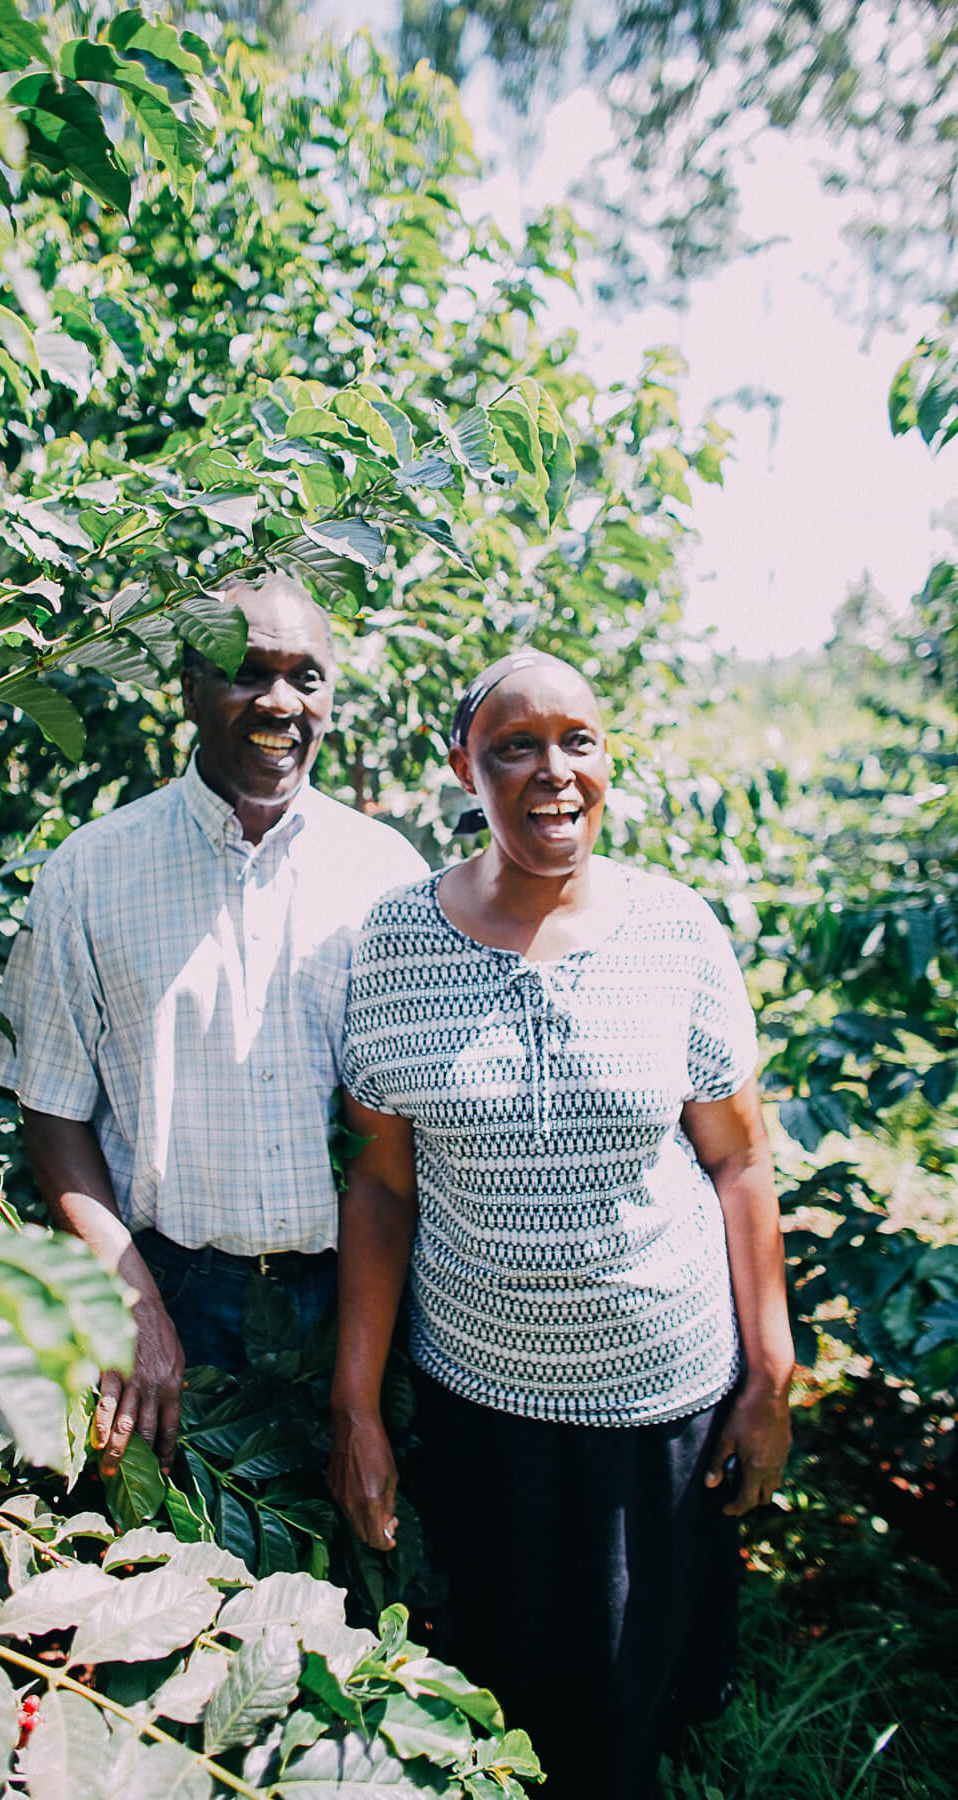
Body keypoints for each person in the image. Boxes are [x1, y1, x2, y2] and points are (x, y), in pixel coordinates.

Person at [328, 649, 794, 1800]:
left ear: (608, 759)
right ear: (463, 769)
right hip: (483, 1404)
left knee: (637, 1702)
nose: (552, 773)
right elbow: (383, 1189)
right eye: (515, 747)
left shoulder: (677, 933)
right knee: (502, 1702)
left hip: (663, 1399)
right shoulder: (394, 946)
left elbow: (737, 1160)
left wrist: (771, 1374)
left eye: (577, 742)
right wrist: (355, 1405)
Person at [0, 572, 426, 1475]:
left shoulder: (390, 878)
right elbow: (52, 1108)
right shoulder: (92, 872)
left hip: (353, 1295)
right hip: (171, 1287)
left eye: (307, 676)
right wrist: (127, 1296)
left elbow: (411, 1129)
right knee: (176, 1585)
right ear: (188, 687)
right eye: (246, 673)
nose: (279, 702)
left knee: (356, 1578)